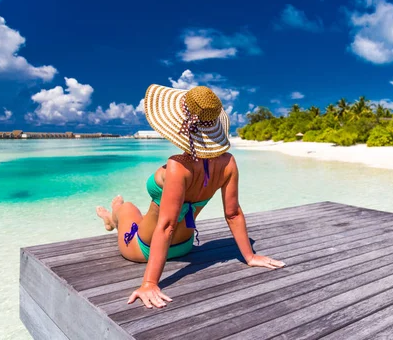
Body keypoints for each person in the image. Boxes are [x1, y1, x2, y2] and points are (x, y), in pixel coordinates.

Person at [96, 84, 285, 309]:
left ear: (181, 125)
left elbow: (166, 226)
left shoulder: (178, 166)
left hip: (144, 249)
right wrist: (250, 256)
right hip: (186, 246)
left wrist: (149, 283)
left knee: (126, 208)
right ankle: (113, 217)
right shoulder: (229, 163)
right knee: (135, 213)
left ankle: (111, 217)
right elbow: (233, 214)